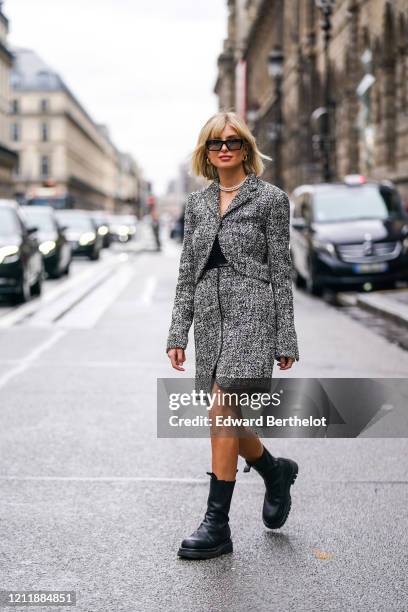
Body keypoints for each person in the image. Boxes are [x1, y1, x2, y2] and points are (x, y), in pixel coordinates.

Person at [166, 111, 300, 560]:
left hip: (253, 314)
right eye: (215, 143)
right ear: (205, 153)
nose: (224, 148)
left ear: (246, 147)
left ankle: (216, 524)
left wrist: (286, 338)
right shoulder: (198, 204)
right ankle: (274, 470)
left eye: (233, 141)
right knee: (227, 414)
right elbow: (187, 273)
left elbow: (282, 273)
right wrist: (177, 332)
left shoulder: (270, 200)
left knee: (222, 407)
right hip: (209, 317)